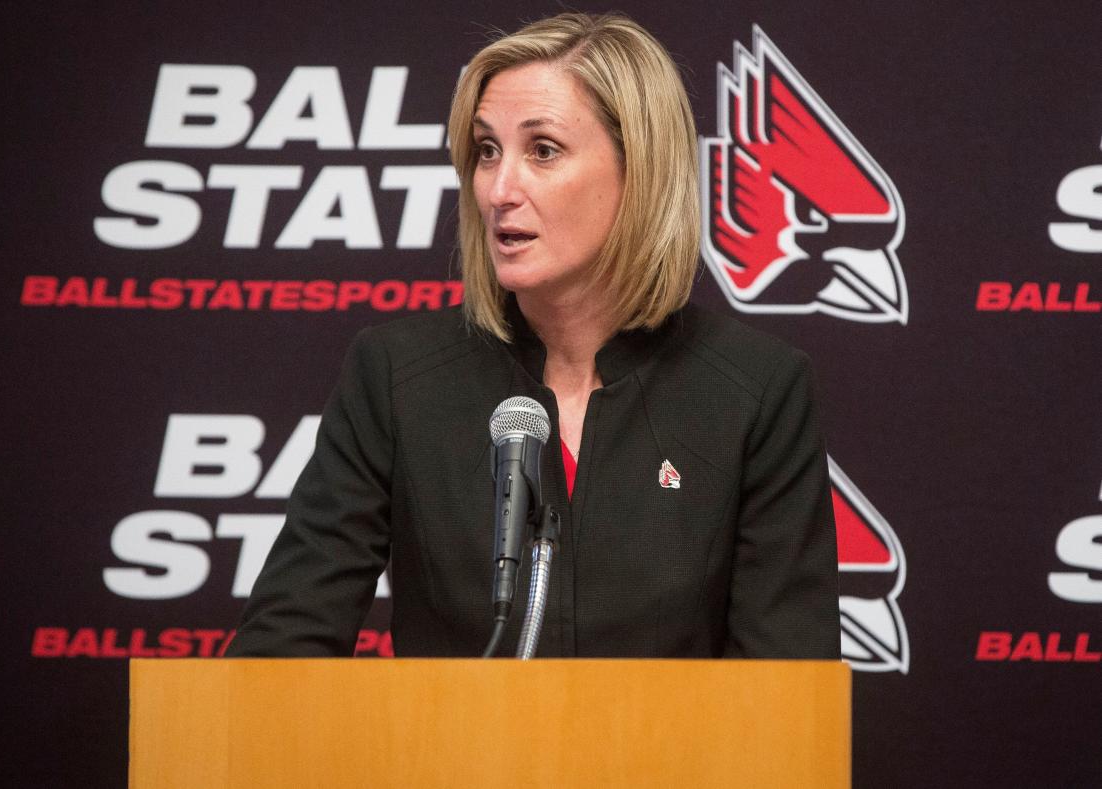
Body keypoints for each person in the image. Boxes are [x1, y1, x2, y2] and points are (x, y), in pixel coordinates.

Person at [229, 12, 839, 659]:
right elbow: (278, 656)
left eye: (542, 150)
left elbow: (785, 692)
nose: (499, 188)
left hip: (668, 764)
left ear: (641, 172)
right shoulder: (397, 376)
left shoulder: (753, 392)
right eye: (487, 151)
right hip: (449, 762)